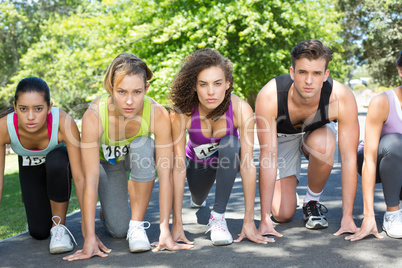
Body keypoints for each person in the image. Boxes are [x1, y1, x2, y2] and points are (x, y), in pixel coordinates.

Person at [64, 53, 192, 261]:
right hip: (107, 164)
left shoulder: (157, 113)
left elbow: (165, 173)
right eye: (122, 92)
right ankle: (110, 214)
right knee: (117, 230)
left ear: (146, 90)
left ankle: (137, 225)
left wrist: (165, 230)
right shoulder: (94, 115)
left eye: (137, 92)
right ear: (110, 89)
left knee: (143, 145)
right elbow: (90, 179)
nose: (130, 101)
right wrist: (89, 236)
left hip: (137, 158)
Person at [256, 39, 359, 236]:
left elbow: (348, 158)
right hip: (281, 138)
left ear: (325, 75)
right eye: (303, 72)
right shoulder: (270, 95)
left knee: (324, 144)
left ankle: (311, 202)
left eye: (316, 73)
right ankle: (284, 187)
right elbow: (267, 156)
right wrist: (264, 220)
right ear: (292, 72)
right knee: (283, 214)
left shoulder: (341, 98)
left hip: (316, 134)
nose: (309, 81)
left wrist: (348, 217)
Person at [169, 48, 272, 246]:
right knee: (198, 198)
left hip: (228, 160)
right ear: (194, 86)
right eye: (203, 84)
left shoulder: (241, 109)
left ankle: (218, 218)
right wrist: (177, 224)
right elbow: (178, 165)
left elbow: (248, 164)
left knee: (231, 143)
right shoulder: (182, 113)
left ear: (227, 84)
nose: (211, 92)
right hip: (197, 166)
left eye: (217, 83)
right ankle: (199, 199)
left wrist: (249, 221)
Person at [0, 77, 84, 254]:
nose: (30, 116)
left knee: (56, 160)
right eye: (23, 109)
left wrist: (89, 233)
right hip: (29, 165)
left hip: (60, 163)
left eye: (38, 109)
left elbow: (79, 177)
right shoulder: (4, 127)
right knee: (38, 232)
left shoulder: (63, 122)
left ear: (49, 107)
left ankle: (59, 228)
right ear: (15, 107)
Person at [346, 50, 402, 241]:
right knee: (396, 142)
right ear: (400, 71)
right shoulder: (383, 102)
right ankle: (392, 214)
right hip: (376, 159)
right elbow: (369, 159)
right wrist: (369, 215)